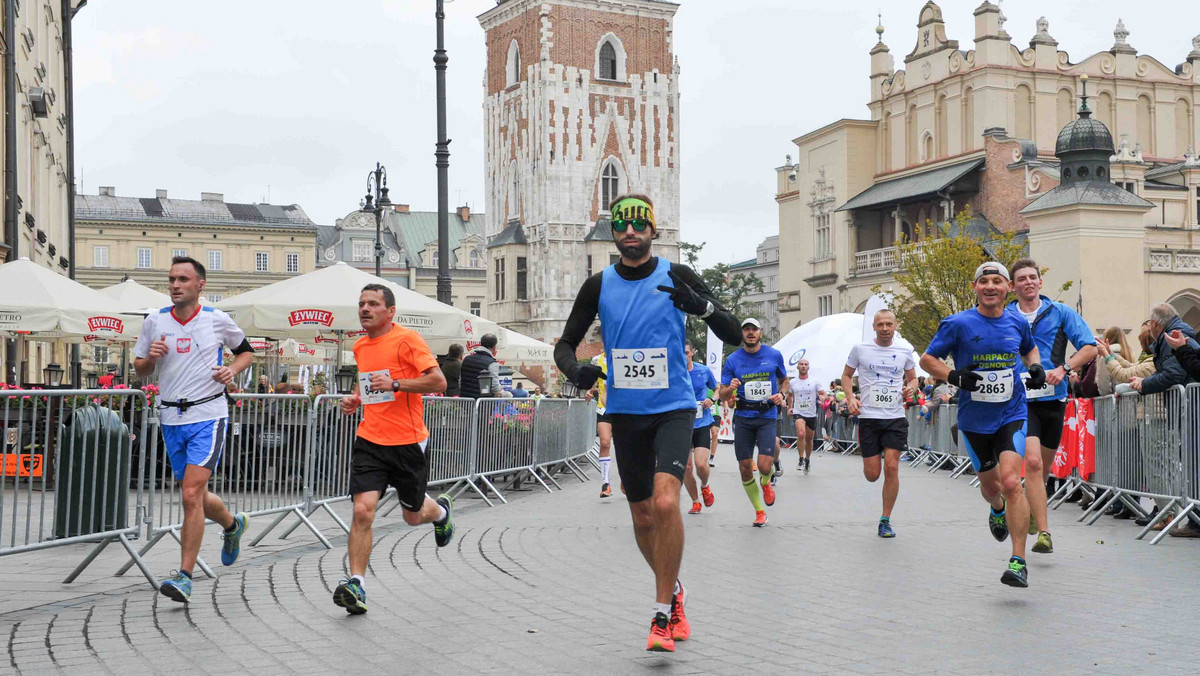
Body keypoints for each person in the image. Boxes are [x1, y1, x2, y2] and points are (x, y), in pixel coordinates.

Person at [554, 194, 741, 652]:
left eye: (640, 224)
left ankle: (662, 614)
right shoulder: (598, 285)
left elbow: (736, 334)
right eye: (622, 224)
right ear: (614, 232)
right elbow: (565, 344)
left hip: (674, 407)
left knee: (663, 503)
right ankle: (674, 590)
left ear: (653, 230)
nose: (631, 231)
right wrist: (575, 371)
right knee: (640, 516)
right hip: (625, 412)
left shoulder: (676, 274)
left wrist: (701, 308)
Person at [133, 256, 255, 603]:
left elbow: (246, 352)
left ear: (200, 285)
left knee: (189, 494)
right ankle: (232, 525)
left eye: (183, 279)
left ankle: (185, 576)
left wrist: (231, 369)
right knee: (196, 496)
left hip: (208, 414)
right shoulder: (155, 321)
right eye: (171, 279)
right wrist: (151, 359)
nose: (175, 285)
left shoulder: (216, 319)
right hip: (171, 417)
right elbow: (140, 369)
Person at [919, 261, 1046, 588]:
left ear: (1008, 289)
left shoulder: (1017, 322)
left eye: (997, 281)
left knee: (1011, 481)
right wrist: (952, 375)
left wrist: (1035, 368)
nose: (991, 286)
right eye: (984, 281)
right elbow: (927, 359)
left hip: (1011, 413)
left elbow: (1030, 349)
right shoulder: (958, 323)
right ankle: (997, 509)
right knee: (992, 488)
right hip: (975, 420)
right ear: (976, 288)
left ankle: (1018, 562)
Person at [332, 284, 453, 614]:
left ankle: (440, 513)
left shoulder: (407, 340)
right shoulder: (359, 347)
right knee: (362, 510)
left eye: (373, 304)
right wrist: (355, 398)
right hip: (370, 439)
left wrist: (398, 384)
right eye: (361, 304)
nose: (365, 309)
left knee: (413, 517)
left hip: (408, 441)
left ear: (390, 312)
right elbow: (369, 386)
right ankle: (357, 584)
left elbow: (438, 382)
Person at [1007, 258, 1097, 555]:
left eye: (1033, 277)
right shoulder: (1005, 315)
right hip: (1018, 400)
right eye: (1022, 279)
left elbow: (1089, 346)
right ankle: (1045, 533)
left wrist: (1064, 368)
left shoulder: (1060, 312)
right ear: (1013, 286)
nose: (1029, 282)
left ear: (1040, 283)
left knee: (1042, 468)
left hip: (1053, 397)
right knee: (1031, 462)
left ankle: (1034, 509)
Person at [842, 309, 918, 538]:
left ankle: (885, 519)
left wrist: (910, 388)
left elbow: (913, 378)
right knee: (872, 474)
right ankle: (870, 462)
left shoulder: (904, 350)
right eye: (880, 325)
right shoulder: (860, 349)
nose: (885, 329)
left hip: (894, 417)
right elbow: (846, 375)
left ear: (895, 326)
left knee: (892, 466)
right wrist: (850, 397)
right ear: (874, 327)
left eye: (889, 324)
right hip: (869, 418)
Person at [719, 318, 788, 527]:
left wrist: (782, 395)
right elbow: (722, 394)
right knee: (744, 467)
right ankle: (759, 511)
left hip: (766, 416)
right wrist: (730, 388)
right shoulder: (732, 360)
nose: (750, 333)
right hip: (743, 418)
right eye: (746, 329)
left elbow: (784, 380)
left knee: (765, 465)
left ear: (760, 333)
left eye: (754, 329)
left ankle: (766, 481)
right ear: (742, 334)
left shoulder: (773, 355)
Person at [1131, 304, 1199, 395]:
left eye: (1150, 323)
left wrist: (1144, 384)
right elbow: (1166, 369)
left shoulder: (1171, 338)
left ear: (1154, 323)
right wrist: (1144, 381)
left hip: (1189, 402)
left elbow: (1173, 374)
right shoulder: (1173, 335)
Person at [683, 341, 717, 514]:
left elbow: (716, 388)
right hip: (681, 425)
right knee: (687, 468)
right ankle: (695, 501)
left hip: (701, 423)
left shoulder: (703, 370)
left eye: (687, 352)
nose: (684, 355)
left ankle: (705, 486)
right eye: (681, 353)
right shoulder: (674, 373)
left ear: (693, 353)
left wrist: (713, 399)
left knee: (701, 465)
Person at [587, 353, 616, 498]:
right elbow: (594, 379)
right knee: (604, 443)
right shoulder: (596, 359)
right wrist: (590, 390)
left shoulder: (625, 353)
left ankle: (627, 479)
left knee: (625, 446)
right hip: (603, 407)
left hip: (623, 408)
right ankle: (606, 483)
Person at [786, 358, 821, 473]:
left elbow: (822, 393)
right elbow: (790, 395)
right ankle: (801, 459)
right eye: (801, 364)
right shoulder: (793, 382)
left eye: (806, 364)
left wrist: (823, 397)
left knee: (809, 439)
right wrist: (790, 407)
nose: (803, 366)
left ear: (808, 367)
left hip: (811, 413)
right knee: (801, 433)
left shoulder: (814, 381)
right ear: (797, 367)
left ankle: (807, 459)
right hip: (798, 412)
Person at [460, 334, 503, 399]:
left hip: (465, 402)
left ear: (480, 344)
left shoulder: (466, 359)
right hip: (483, 404)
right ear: (494, 348)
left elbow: (460, 380)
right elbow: (495, 387)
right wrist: (501, 388)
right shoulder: (492, 364)